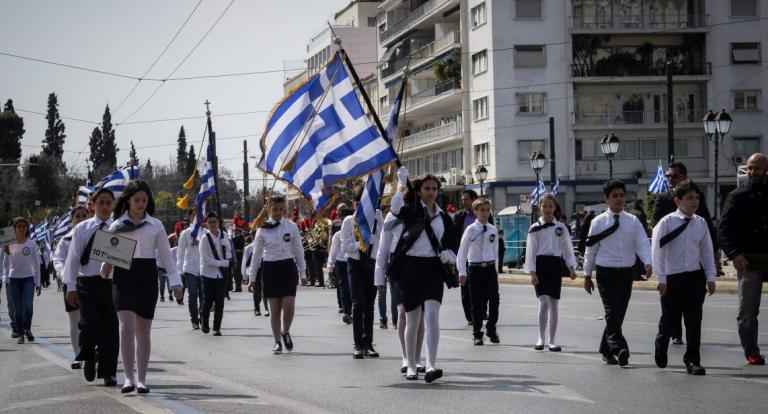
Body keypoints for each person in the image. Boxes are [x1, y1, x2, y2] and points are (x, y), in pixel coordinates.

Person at [101, 180, 182, 394]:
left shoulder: (155, 225)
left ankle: (142, 379)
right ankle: (128, 378)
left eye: (144, 200)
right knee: (126, 326)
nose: (140, 204)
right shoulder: (116, 224)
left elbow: (166, 255)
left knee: (143, 331)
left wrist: (175, 281)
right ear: (128, 200)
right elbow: (108, 253)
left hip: (146, 276)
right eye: (136, 200)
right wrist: (105, 265)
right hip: (123, 276)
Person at [390, 167, 458, 383]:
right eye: (427, 188)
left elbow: (451, 242)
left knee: (432, 315)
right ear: (419, 191)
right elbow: (394, 209)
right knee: (413, 319)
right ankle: (411, 363)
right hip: (410, 268)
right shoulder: (411, 210)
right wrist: (401, 183)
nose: (431, 192)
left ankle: (430, 365)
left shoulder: (443, 217)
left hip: (433, 269)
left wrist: (450, 255)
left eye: (434, 189)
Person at [583, 179, 652, 367]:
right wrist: (587, 275)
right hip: (606, 272)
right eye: (614, 196)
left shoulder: (633, 221)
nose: (619, 199)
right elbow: (591, 249)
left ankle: (605, 349)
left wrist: (648, 262)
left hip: (626, 273)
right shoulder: (597, 222)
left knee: (619, 313)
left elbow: (642, 243)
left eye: (621, 195)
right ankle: (619, 348)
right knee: (612, 312)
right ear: (606, 199)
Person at [652, 180, 717, 375]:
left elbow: (706, 251)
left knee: (694, 320)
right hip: (672, 278)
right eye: (689, 198)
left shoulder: (701, 223)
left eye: (696, 197)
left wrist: (710, 276)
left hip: (694, 278)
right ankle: (661, 343)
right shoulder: (667, 222)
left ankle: (692, 360)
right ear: (677, 200)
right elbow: (657, 252)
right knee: (669, 318)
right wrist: (661, 279)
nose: (694, 201)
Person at [63, 188, 119, 387]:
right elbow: (73, 259)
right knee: (89, 324)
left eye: (108, 203)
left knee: (111, 329)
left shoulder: (118, 227)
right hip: (87, 283)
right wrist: (70, 286)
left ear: (113, 205)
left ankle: (109, 372)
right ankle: (87, 356)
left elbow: (127, 259)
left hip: (111, 285)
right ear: (93, 205)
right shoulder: (82, 228)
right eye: (101, 203)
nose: (104, 207)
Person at [718, 153, 768, 365]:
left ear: (765, 169)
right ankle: (752, 352)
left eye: (756, 168)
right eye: (749, 168)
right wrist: (734, 255)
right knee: (747, 311)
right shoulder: (736, 196)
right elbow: (723, 230)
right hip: (748, 261)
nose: (752, 172)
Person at [248, 195, 307, 354]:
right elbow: (256, 255)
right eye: (275, 209)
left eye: (281, 209)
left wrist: (303, 272)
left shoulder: (291, 226)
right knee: (275, 310)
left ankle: (285, 331)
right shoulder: (262, 228)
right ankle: (277, 342)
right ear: (268, 209)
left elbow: (298, 250)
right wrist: (252, 278)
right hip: (270, 268)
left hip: (287, 267)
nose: (278, 212)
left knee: (289, 306)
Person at [375, 207, 426, 374]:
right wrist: (379, 275)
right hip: (397, 264)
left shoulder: (422, 212)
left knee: (419, 314)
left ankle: (417, 357)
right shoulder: (392, 216)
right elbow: (383, 247)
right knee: (403, 310)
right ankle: (406, 356)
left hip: (419, 264)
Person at [524, 194, 577, 351]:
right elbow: (530, 252)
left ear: (554, 208)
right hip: (540, 265)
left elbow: (567, 249)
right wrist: (532, 272)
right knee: (544, 302)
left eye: (550, 206)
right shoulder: (534, 228)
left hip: (555, 265)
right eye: (544, 206)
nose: (547, 209)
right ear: (539, 208)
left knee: (553, 304)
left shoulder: (561, 228)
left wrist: (572, 267)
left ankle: (552, 341)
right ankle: (541, 337)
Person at [340, 188, 383, 359]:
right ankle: (358, 344)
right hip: (355, 264)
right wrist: (362, 243)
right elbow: (346, 247)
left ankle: (368, 343)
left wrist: (378, 224)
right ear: (354, 204)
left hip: (371, 264)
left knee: (370, 305)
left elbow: (384, 238)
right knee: (358, 304)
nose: (361, 207)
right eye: (357, 204)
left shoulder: (376, 218)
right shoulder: (349, 221)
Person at [457, 197, 502, 346]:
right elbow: (462, 251)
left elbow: (495, 251)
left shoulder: (493, 229)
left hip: (489, 268)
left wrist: (496, 271)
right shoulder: (471, 229)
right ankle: (477, 333)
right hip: (475, 268)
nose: (485, 213)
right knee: (476, 303)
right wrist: (462, 272)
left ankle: (491, 328)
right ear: (475, 212)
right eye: (482, 210)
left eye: (488, 210)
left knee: (494, 300)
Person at [52, 205, 89, 369]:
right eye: (77, 217)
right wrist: (64, 275)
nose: (81, 219)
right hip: (72, 284)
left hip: (92, 284)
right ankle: (77, 356)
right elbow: (58, 260)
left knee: (92, 321)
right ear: (72, 220)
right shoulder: (66, 240)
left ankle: (94, 351)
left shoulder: (97, 236)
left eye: (84, 216)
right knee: (75, 322)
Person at [4, 217, 41, 344]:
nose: (21, 229)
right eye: (18, 226)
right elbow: (2, 260)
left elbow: (37, 265)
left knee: (28, 305)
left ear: (27, 228)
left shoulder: (31, 244)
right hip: (14, 279)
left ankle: (28, 329)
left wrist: (38, 283)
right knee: (18, 308)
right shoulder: (9, 243)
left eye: (24, 226)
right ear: (14, 229)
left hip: (28, 278)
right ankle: (20, 333)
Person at [199, 212, 231, 336]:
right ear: (206, 224)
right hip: (208, 274)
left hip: (221, 275)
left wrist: (225, 246)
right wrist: (222, 263)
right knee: (207, 301)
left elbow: (228, 253)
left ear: (218, 222)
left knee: (220, 302)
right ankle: (204, 322)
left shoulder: (224, 235)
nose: (212, 224)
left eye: (214, 221)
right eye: (210, 222)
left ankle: (217, 327)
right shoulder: (204, 238)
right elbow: (206, 259)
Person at [176, 209, 204, 329]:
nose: (197, 217)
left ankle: (203, 317)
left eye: (199, 215)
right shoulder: (186, 233)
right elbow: (180, 252)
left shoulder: (206, 232)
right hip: (190, 269)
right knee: (193, 294)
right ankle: (194, 319)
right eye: (194, 215)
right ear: (191, 217)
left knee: (204, 296)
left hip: (204, 269)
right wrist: (179, 271)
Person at [327, 207, 352, 324]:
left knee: (352, 287)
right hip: (340, 263)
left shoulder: (356, 231)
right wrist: (330, 267)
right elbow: (333, 251)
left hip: (352, 261)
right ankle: (347, 312)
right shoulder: (338, 235)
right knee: (343, 287)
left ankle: (353, 309)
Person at [242, 231, 268, 317]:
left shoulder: (266, 246)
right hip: (253, 271)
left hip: (263, 269)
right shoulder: (249, 248)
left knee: (263, 290)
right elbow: (245, 262)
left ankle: (262, 306)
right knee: (256, 290)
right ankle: (256, 308)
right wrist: (245, 275)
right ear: (252, 237)